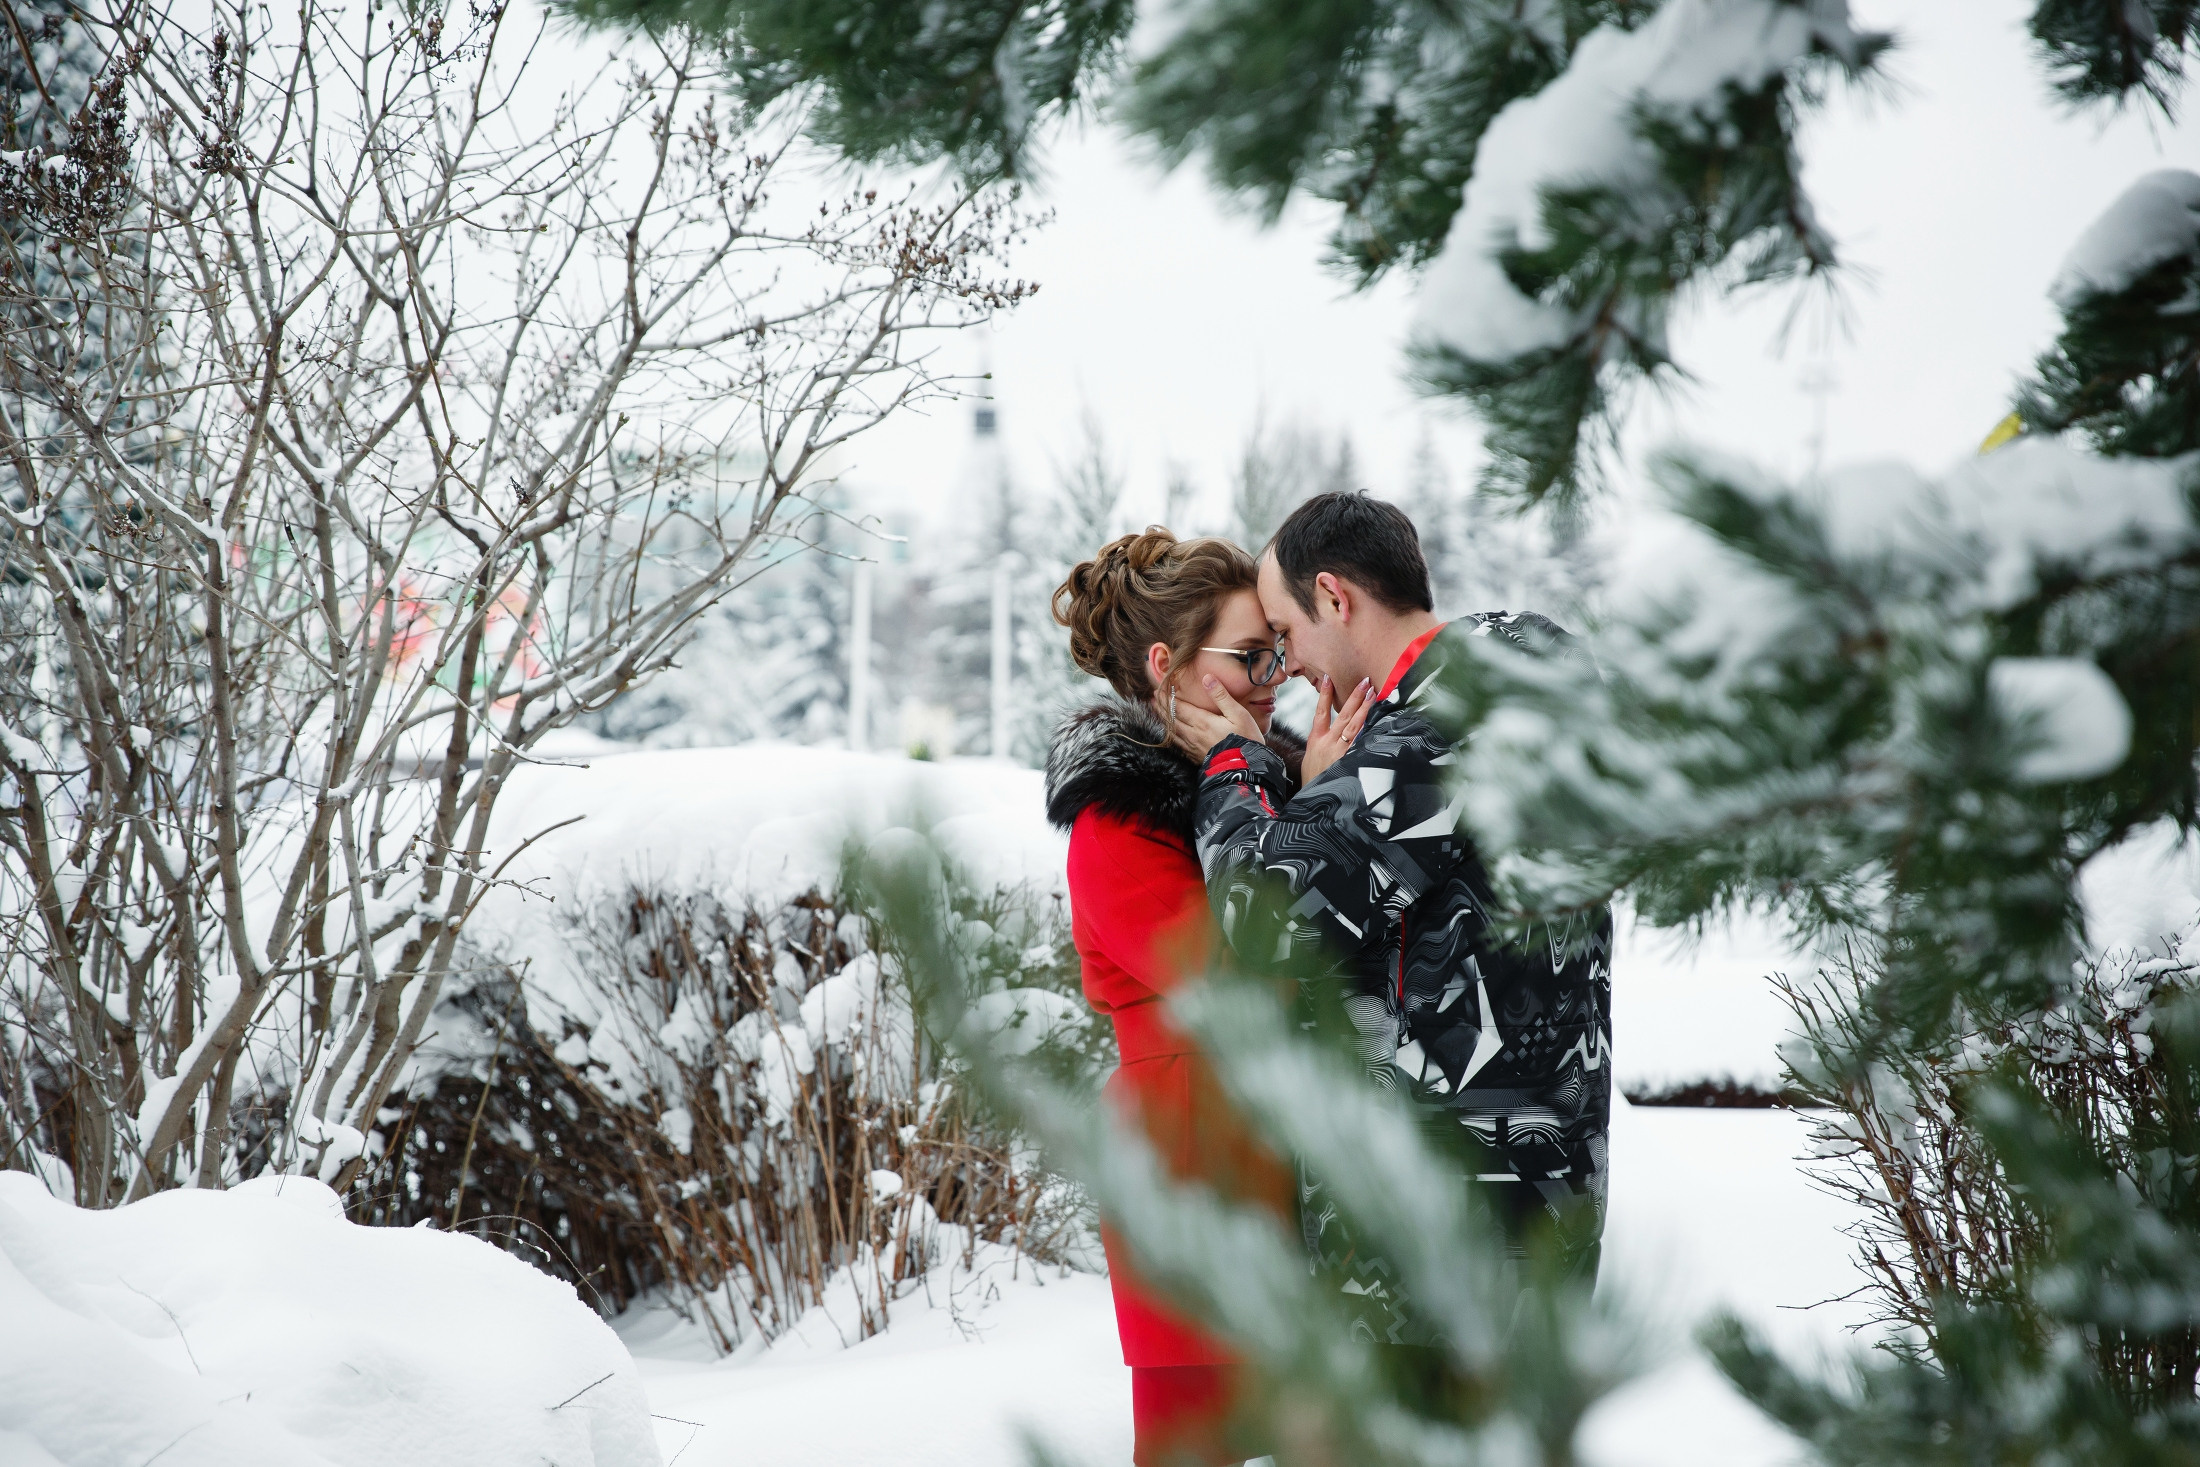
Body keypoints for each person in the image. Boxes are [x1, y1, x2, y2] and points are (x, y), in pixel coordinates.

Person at [1165, 491, 1615, 1352]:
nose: (1287, 670)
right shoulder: (1505, 706)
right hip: (1535, 1185)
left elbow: (1262, 918)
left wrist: (1238, 765)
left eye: (1286, 636)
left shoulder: (1444, 729)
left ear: (1335, 597)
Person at [1043, 528, 1350, 1467]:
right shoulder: (1116, 818)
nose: (1275, 676)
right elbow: (1242, 974)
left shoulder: (1266, 780)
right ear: (1166, 664)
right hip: (1190, 1160)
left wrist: (1295, 794)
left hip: (1286, 1145)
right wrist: (1307, 798)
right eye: (1250, 656)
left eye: (1277, 651)